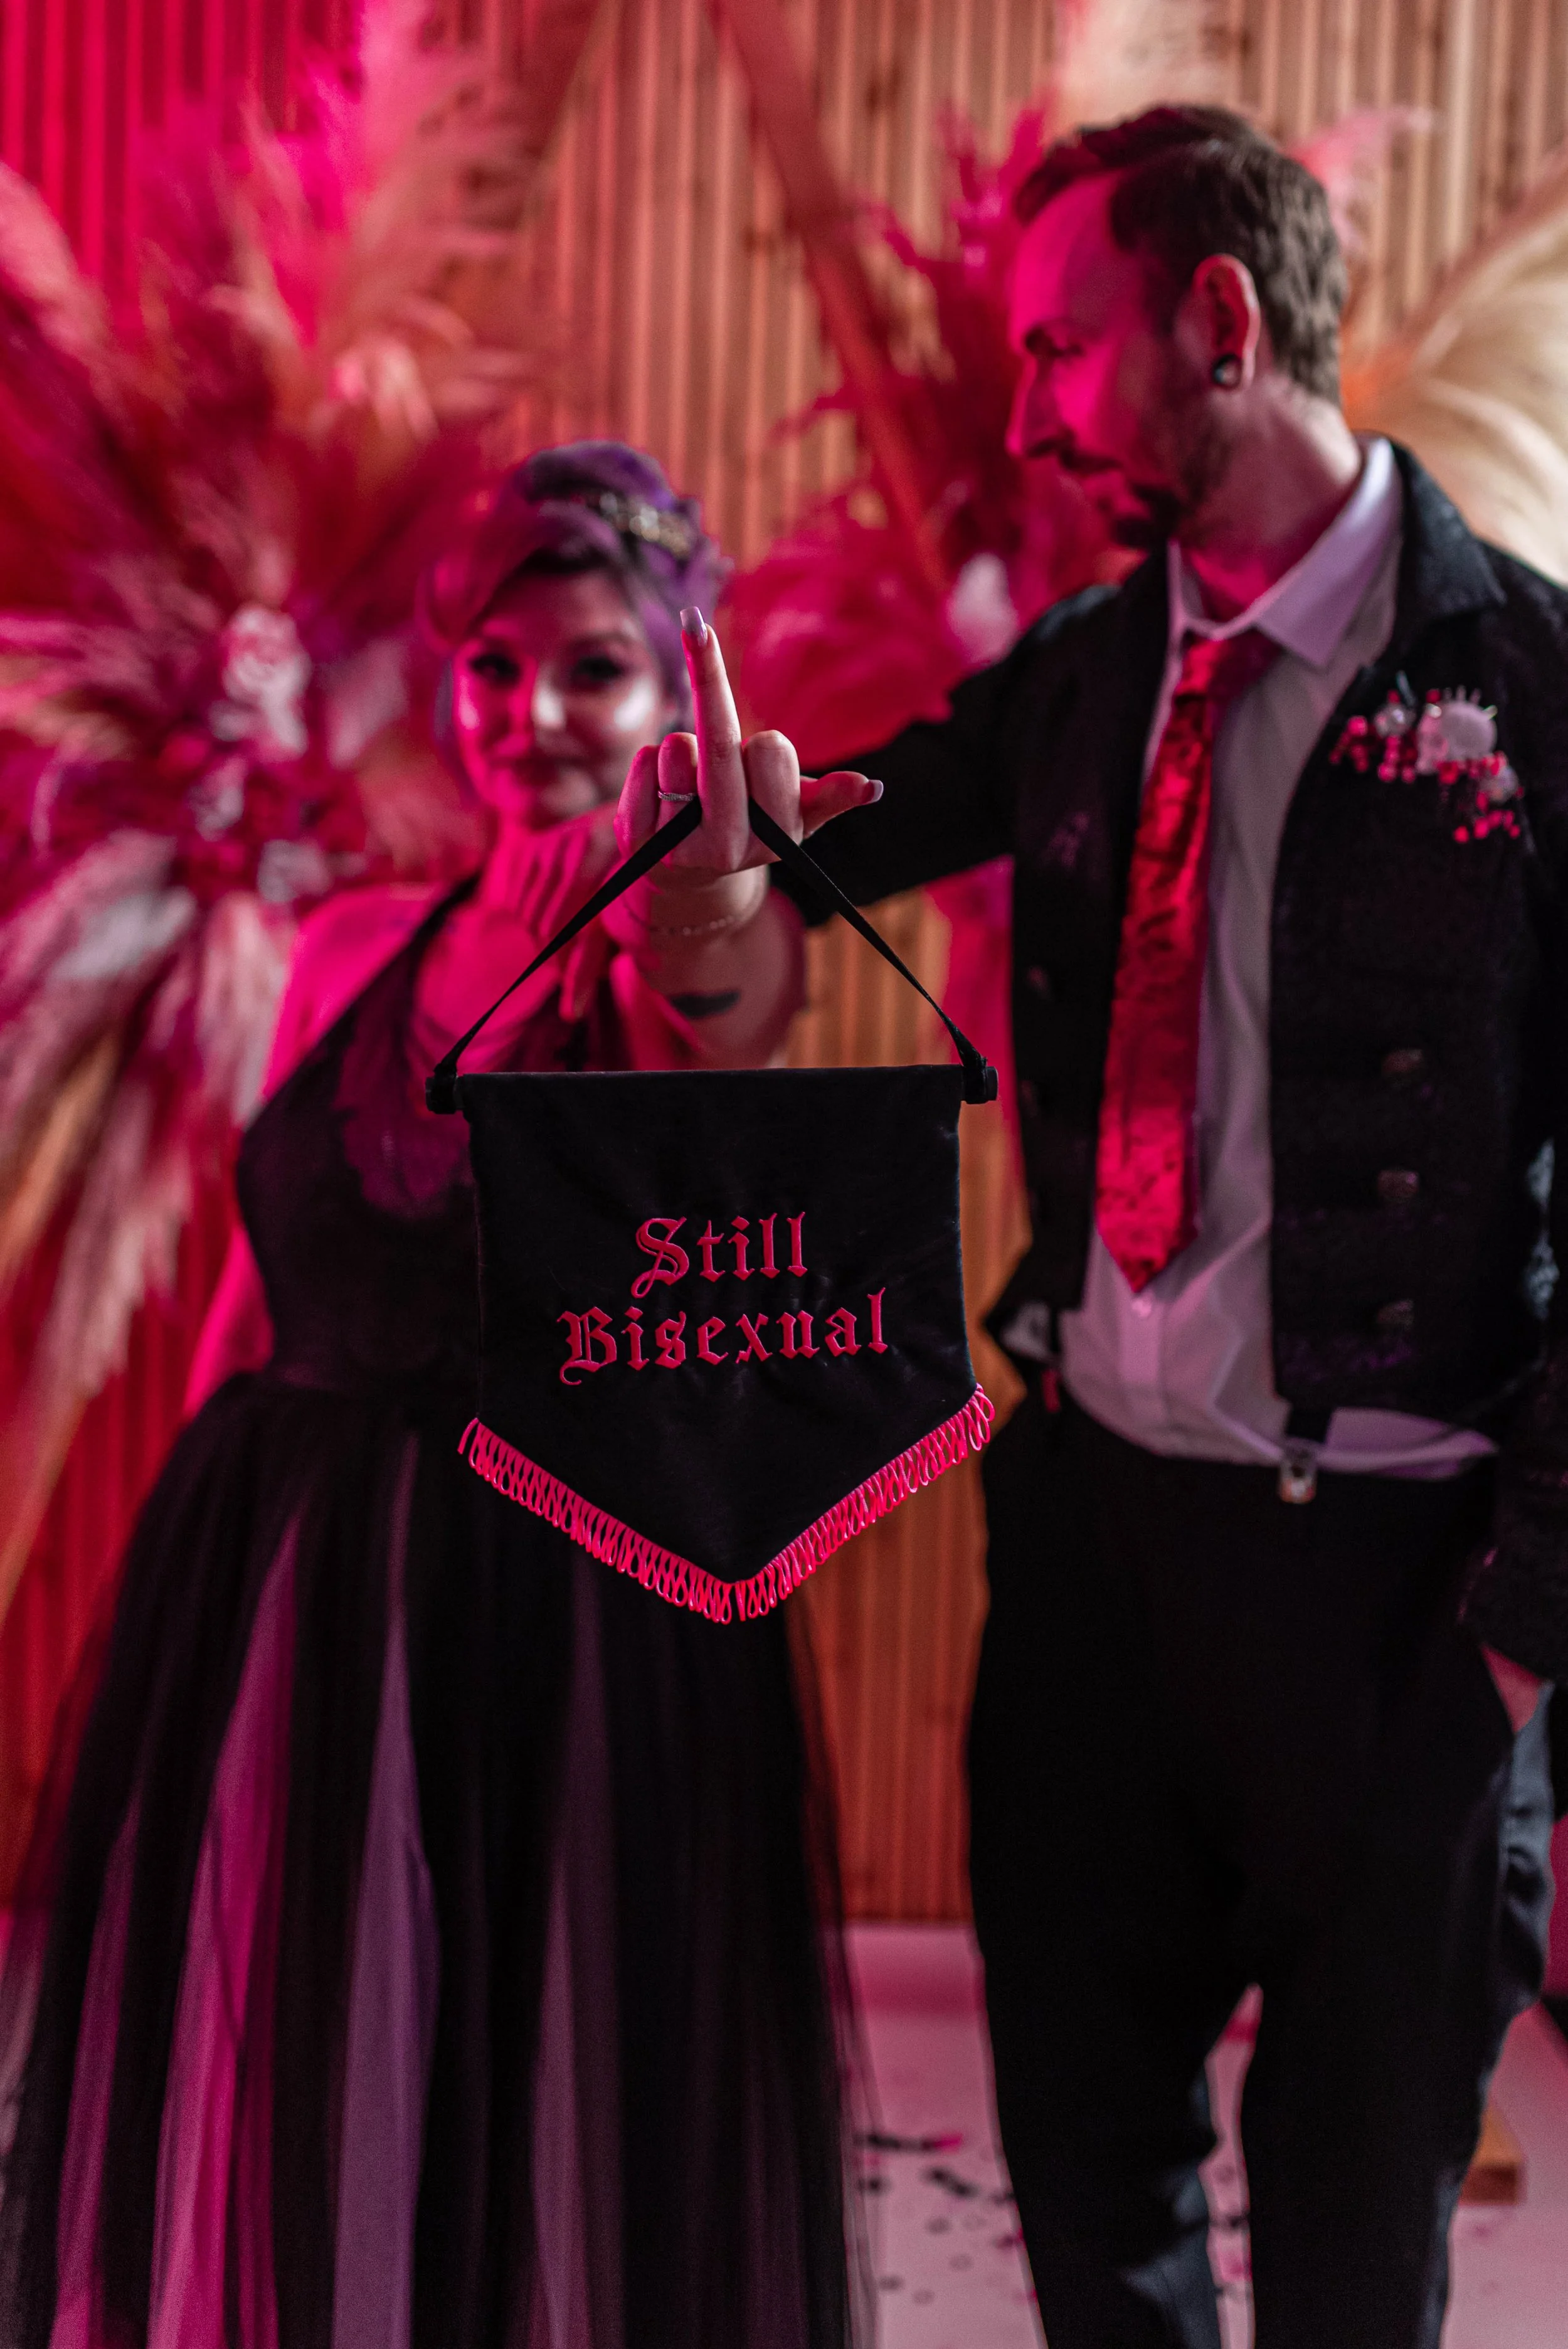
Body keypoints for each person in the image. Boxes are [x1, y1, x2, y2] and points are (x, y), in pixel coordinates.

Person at [628, 110, 1567, 2349]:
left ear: (1218, 326)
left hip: (1400, 1589)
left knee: (1355, 2230)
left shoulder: (1532, 692)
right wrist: (734, 849)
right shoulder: (1072, 676)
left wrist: (1520, 1638)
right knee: (1085, 2178)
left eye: (1060, 350)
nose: (1028, 407)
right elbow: (819, 863)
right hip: (1093, 1562)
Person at [0, 443, 869, 2348]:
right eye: (493, 666)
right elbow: (265, 1279)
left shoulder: (670, 945)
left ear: (668, 689)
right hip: (299, 1603)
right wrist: (186, 1618)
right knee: (326, 2097)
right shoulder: (335, 944)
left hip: (567, 1609)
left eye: (590, 670)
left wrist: (708, 877)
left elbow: (730, 998)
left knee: (551, 2096)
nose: (531, 714)